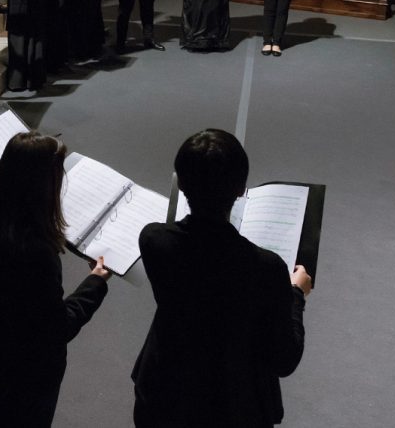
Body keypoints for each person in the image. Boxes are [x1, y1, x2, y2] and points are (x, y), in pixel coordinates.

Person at [133, 129, 312, 427]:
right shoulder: (267, 267)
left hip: (165, 392)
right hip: (233, 405)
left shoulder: (153, 239)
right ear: (241, 189)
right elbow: (285, 359)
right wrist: (296, 294)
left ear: (180, 182)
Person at [0, 131, 110, 427]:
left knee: (2, 415)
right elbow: (57, 327)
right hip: (28, 367)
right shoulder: (35, 252)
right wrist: (95, 282)